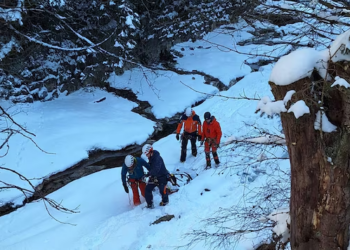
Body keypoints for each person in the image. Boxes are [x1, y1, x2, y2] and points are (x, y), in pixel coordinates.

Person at [141, 144, 170, 209]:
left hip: (162, 176)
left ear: (151, 151)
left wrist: (148, 174)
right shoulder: (151, 157)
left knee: (162, 190)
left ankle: (165, 202)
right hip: (154, 176)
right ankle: (150, 204)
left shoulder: (157, 158)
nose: (146, 155)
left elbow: (156, 169)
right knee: (147, 190)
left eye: (147, 154)